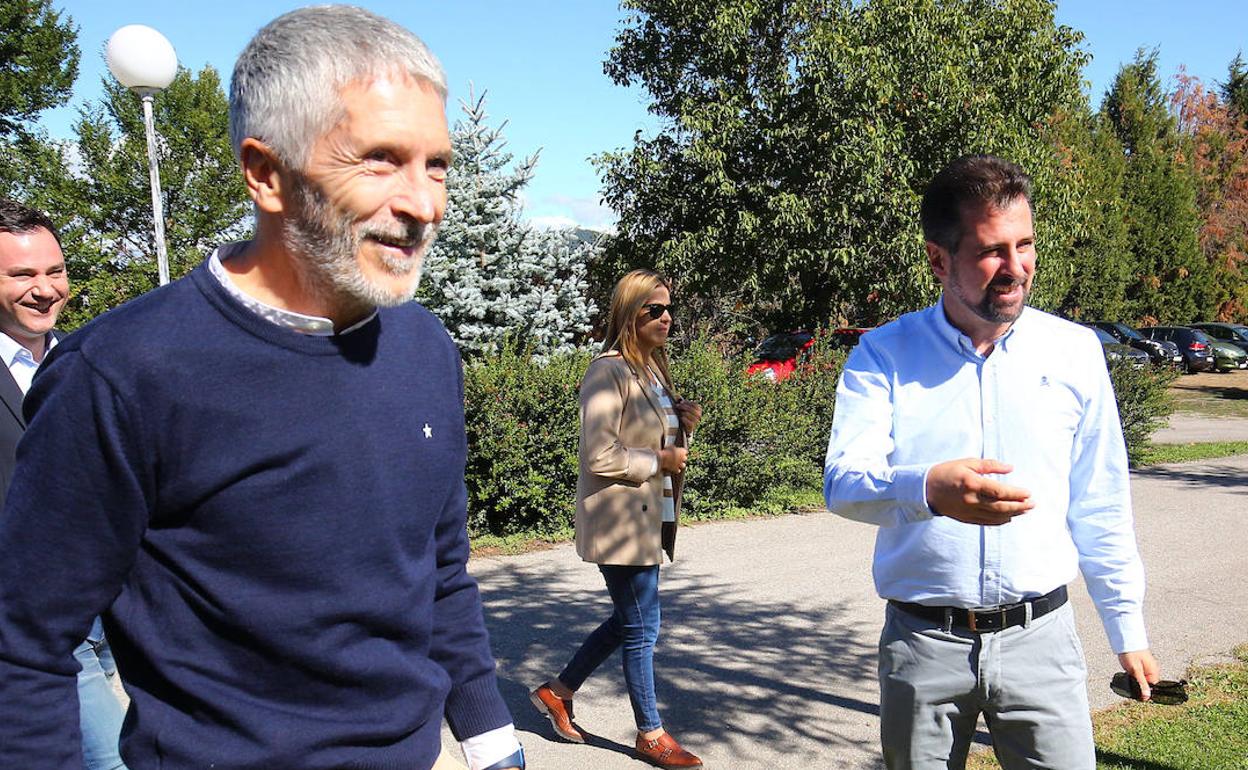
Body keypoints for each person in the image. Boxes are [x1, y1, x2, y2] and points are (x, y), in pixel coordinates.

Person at [0, 8, 522, 770]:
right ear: (266, 174)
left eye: (436, 164)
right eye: (380, 160)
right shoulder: (122, 373)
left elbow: (440, 573)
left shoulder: (424, 348)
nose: (425, 204)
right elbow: (25, 641)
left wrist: (493, 741)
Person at [823, 155, 1159, 770]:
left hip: (1042, 642)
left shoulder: (1074, 352)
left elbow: (1101, 501)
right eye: (991, 251)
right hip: (923, 645)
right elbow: (843, 483)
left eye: (1024, 245)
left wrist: (1126, 628)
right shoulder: (884, 355)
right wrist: (928, 489)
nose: (1015, 267)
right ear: (938, 259)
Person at [530, 269, 705, 769]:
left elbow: (654, 438)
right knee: (643, 627)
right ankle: (650, 733)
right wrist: (660, 459)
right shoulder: (606, 371)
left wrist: (683, 425)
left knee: (629, 620)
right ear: (630, 313)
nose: (666, 318)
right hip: (619, 523)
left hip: (646, 519)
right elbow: (600, 454)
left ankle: (558, 691)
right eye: (655, 310)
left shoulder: (651, 369)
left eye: (669, 309)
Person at [0, 199, 129, 770]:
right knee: (112, 758)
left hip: (112, 608)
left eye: (55, 271)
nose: (45, 289)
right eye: (22, 274)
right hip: (32, 616)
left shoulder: (89, 363)